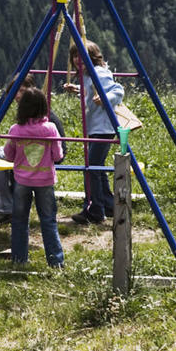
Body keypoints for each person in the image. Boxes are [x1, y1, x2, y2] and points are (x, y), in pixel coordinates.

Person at [0, 74, 67, 228]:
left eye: (21, 91)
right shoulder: (35, 110)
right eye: (15, 91)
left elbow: (58, 150)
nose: (17, 95)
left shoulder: (43, 116)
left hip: (44, 154)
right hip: (39, 153)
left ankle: (4, 207)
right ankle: (5, 204)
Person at [64, 41, 124, 224]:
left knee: (91, 168)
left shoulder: (99, 73)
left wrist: (105, 98)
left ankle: (95, 210)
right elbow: (90, 96)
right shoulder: (87, 77)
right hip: (96, 127)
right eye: (75, 56)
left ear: (93, 58)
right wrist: (77, 91)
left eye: (82, 56)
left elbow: (118, 91)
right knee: (97, 168)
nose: (77, 60)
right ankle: (108, 204)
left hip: (104, 128)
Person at [3, 87, 65, 266]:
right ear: (43, 106)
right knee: (48, 220)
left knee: (20, 220)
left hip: (22, 180)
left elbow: (8, 154)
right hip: (45, 180)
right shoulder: (50, 129)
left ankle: (19, 259)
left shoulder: (15, 129)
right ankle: (55, 261)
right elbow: (58, 155)